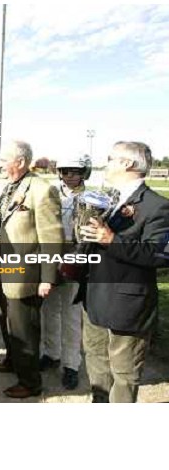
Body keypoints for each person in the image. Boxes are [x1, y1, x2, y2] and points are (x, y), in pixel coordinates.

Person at [80, 141, 169, 403]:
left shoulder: (158, 206)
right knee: (96, 361)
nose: (106, 163)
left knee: (124, 373)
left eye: (111, 158)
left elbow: (161, 254)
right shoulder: (109, 198)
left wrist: (112, 240)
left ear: (127, 164)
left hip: (128, 304)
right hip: (94, 296)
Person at [0, 140, 64, 398]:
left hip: (26, 275)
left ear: (19, 162)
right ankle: (13, 361)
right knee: (6, 321)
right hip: (4, 268)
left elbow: (52, 237)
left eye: (3, 160)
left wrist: (47, 278)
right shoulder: (12, 186)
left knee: (24, 329)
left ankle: (31, 383)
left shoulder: (42, 190)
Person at [39, 154, 91, 390]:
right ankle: (51, 353)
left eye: (75, 171)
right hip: (51, 254)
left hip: (75, 255)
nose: (69, 175)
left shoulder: (91, 197)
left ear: (84, 172)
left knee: (71, 314)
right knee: (49, 309)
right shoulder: (50, 192)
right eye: (65, 171)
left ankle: (71, 364)